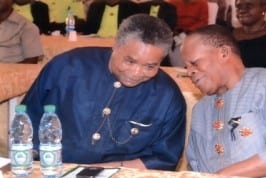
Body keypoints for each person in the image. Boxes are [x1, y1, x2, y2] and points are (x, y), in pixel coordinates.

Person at [22, 14, 186, 170]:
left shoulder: (167, 96)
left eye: (150, 66)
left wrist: (95, 171)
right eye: (130, 61)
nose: (136, 73)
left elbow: (164, 159)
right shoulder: (67, 67)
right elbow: (28, 119)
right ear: (115, 46)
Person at [180, 24, 266, 177]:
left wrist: (221, 176)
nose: (189, 72)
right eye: (186, 67)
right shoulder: (201, 109)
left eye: (195, 63)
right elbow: (195, 166)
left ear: (223, 53)